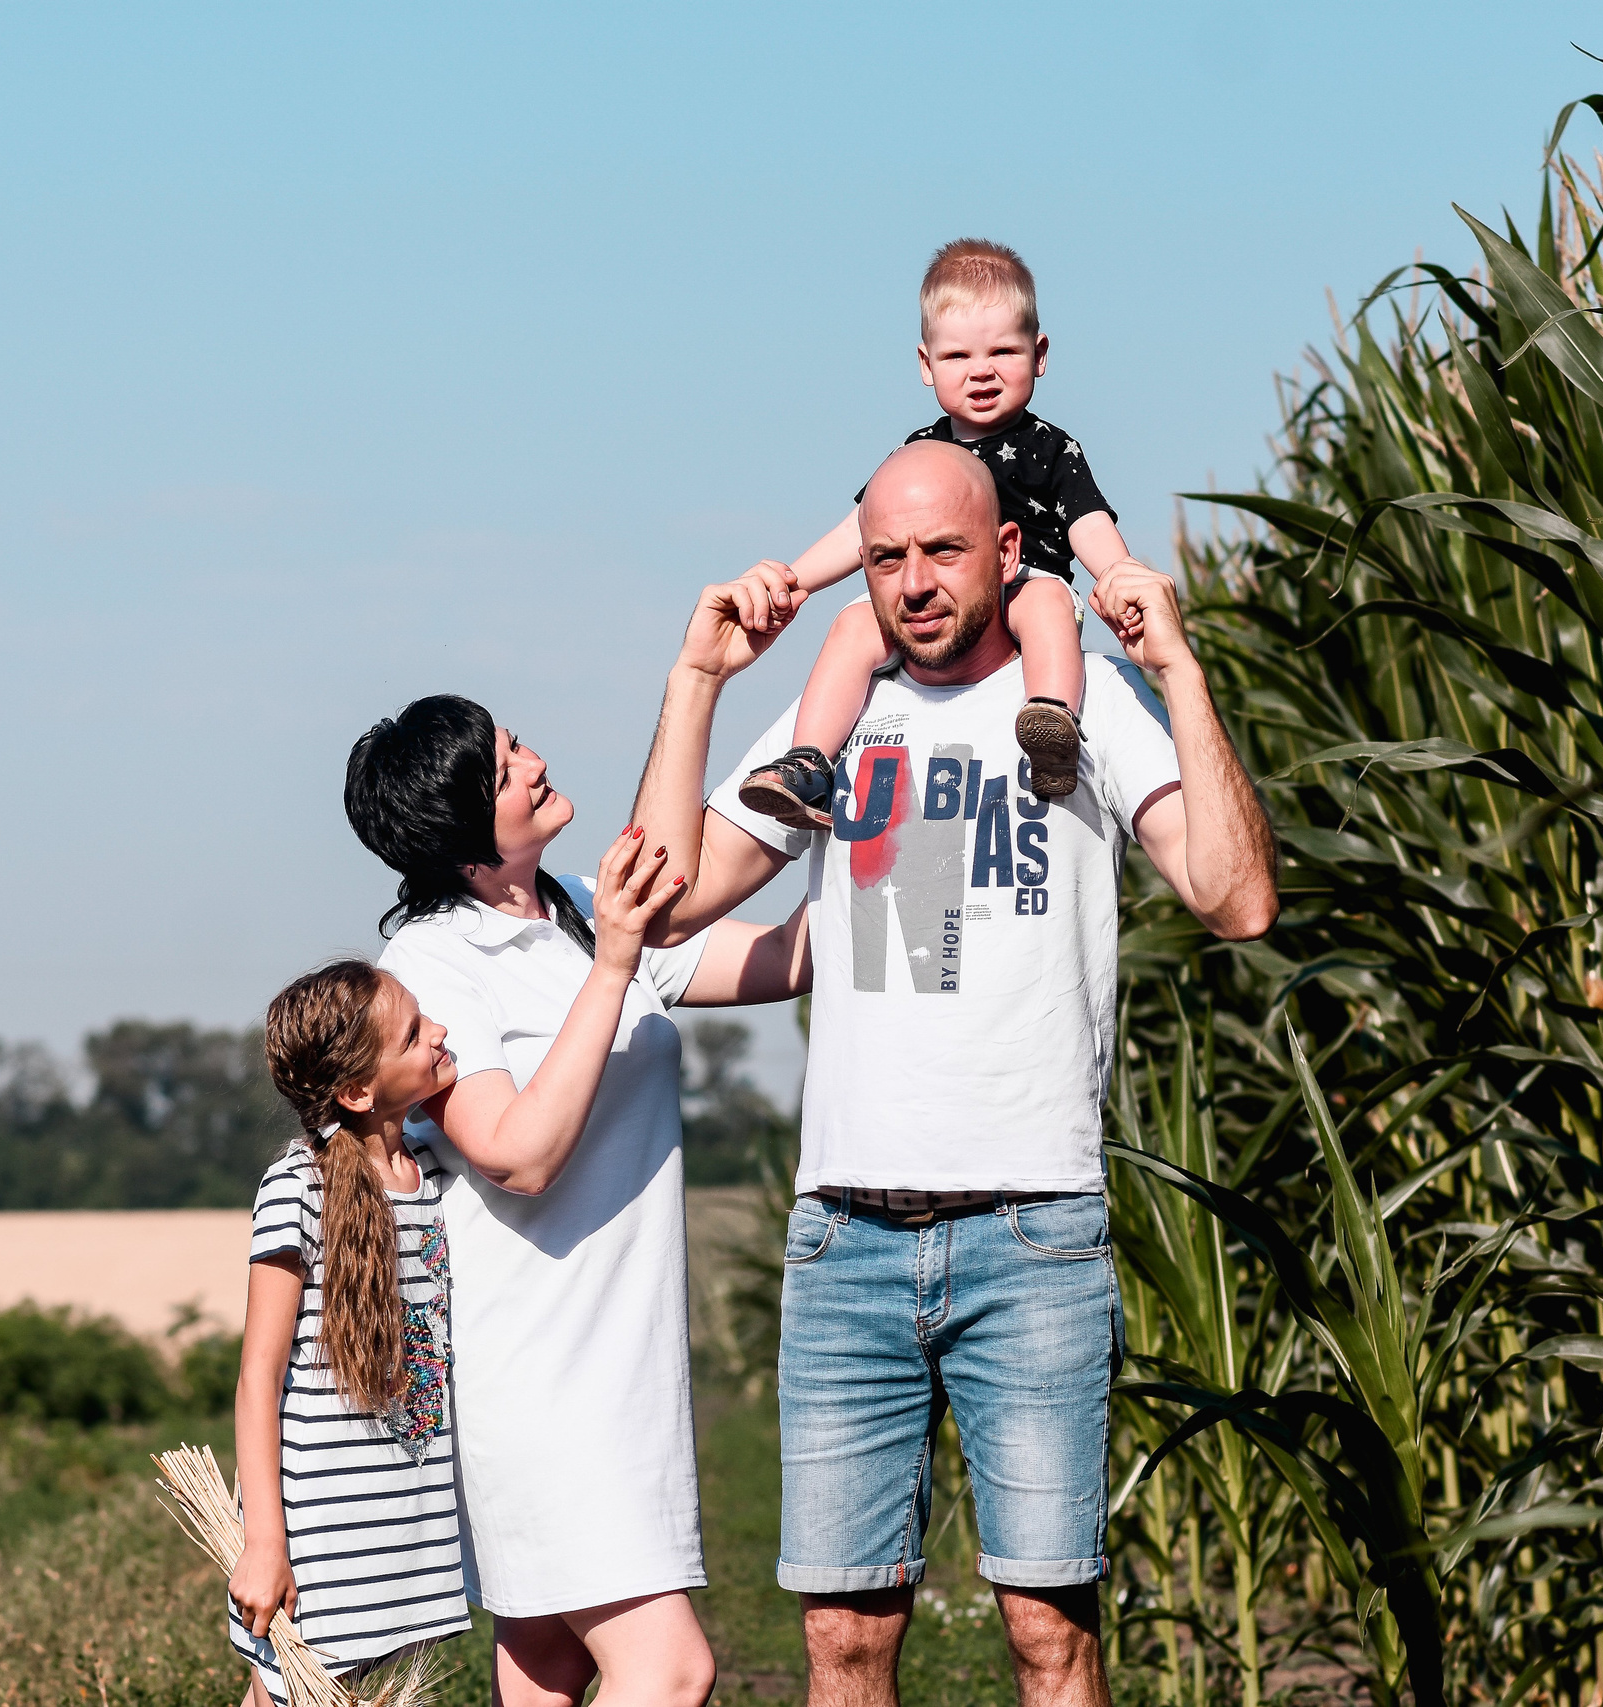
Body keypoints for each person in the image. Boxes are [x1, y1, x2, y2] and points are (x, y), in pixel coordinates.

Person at [633, 439, 1278, 1707]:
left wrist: (1178, 670)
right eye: (885, 558)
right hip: (845, 1239)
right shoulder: (834, 719)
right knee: (843, 1648)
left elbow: (1236, 896)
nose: (914, 581)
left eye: (940, 551)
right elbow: (664, 904)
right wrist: (696, 681)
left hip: (1031, 1234)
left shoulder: (1080, 695)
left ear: (1005, 550)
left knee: (1050, 1638)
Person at [345, 695, 813, 1707]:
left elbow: (780, 960)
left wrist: (875, 845)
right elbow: (516, 1156)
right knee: (671, 1670)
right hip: (537, 1377)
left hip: (619, 1363)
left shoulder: (566, 907)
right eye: (509, 762)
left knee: (547, 1670)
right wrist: (614, 961)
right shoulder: (431, 965)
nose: (538, 761)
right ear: (461, 820)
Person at [737, 238, 1152, 821]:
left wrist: (1118, 577)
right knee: (855, 624)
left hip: (1028, 581)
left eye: (1003, 351)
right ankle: (808, 764)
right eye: (957, 357)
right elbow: (862, 531)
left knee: (1046, 608)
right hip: (938, 597)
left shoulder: (1050, 448)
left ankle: (1051, 724)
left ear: (1040, 355)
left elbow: (1087, 519)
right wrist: (794, 581)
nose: (981, 371)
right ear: (927, 366)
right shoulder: (920, 453)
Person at [224, 960, 472, 1705]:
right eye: (414, 1033)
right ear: (359, 1090)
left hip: (406, 1514)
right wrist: (266, 1541)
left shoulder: (433, 1173)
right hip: (321, 1526)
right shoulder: (297, 1185)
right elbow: (257, 1378)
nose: (440, 1034)